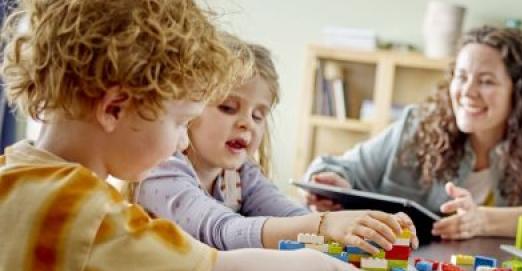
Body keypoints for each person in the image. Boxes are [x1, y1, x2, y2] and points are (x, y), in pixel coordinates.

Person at [0, 0, 376, 271]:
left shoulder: (14, 169)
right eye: (179, 123)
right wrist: (320, 265)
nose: (183, 141)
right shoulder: (84, 211)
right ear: (114, 108)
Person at [134, 38, 417, 255]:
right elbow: (222, 231)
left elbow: (291, 216)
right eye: (229, 107)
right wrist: (326, 225)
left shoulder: (238, 174)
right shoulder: (162, 170)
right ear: (189, 109)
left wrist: (363, 231)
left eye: (259, 115)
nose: (247, 124)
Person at [305, 26, 522, 240]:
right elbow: (338, 168)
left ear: (520, 93)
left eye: (486, 81)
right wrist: (333, 183)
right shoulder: (421, 123)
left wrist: (484, 221)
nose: (467, 92)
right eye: (462, 77)